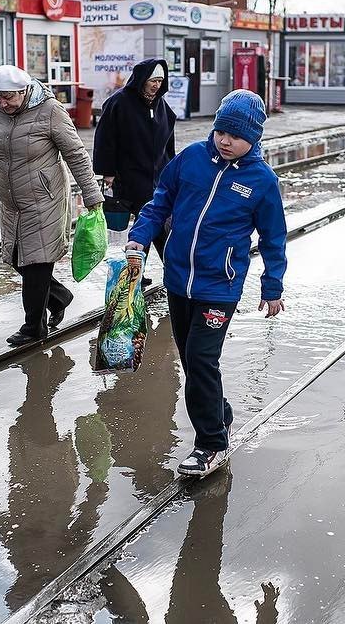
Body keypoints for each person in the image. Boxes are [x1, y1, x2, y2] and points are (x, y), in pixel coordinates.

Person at [126, 89, 287, 477]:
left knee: (200, 359)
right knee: (191, 361)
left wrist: (273, 285)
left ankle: (211, 444)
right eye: (221, 133)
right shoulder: (192, 159)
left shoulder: (262, 181)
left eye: (236, 136)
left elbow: (273, 237)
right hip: (178, 281)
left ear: (255, 137)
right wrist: (140, 235)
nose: (226, 141)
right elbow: (160, 200)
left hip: (220, 286)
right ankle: (220, 413)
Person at [0, 65, 104, 346]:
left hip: (45, 199)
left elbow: (76, 154)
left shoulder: (51, 111)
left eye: (8, 98)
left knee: (36, 264)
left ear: (24, 90)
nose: (3, 103)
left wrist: (92, 197)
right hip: (12, 200)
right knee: (18, 259)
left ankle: (33, 328)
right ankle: (59, 297)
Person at [92, 57, 176, 275]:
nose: (157, 85)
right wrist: (107, 172)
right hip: (128, 175)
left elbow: (169, 142)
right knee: (148, 223)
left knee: (155, 223)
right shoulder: (119, 102)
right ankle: (138, 273)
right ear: (142, 80)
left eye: (160, 81)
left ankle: (150, 271)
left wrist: (172, 170)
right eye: (153, 81)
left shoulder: (160, 105)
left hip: (155, 176)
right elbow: (105, 138)